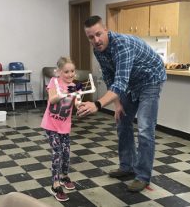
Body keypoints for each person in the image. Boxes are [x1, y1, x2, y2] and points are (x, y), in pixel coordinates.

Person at [77, 15, 166, 192]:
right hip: (131, 83)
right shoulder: (98, 50)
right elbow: (111, 78)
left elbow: (120, 84)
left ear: (106, 30)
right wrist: (117, 105)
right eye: (91, 37)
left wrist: (97, 104)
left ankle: (142, 176)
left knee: (145, 129)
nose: (96, 40)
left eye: (99, 34)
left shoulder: (122, 45)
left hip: (151, 80)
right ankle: (127, 167)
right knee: (122, 121)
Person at [40, 57, 80, 202]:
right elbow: (52, 100)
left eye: (72, 71)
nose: (70, 74)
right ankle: (55, 184)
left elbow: (77, 103)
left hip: (64, 125)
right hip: (50, 124)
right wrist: (63, 93)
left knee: (66, 151)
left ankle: (64, 176)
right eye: (66, 72)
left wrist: (81, 104)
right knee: (57, 151)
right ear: (59, 72)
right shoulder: (54, 82)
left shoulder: (75, 85)